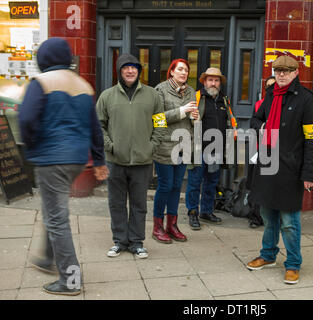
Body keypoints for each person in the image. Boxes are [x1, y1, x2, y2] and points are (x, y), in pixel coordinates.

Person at [19, 37, 108, 296]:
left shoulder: (42, 83)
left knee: (57, 218)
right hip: (76, 159)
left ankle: (70, 280)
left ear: (43, 58)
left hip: (51, 158)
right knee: (53, 208)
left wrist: (33, 144)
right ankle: (47, 258)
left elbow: (26, 119)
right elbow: (95, 128)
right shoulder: (84, 85)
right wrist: (99, 159)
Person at [246, 55, 313, 285]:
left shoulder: (307, 100)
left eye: (286, 71)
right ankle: (268, 255)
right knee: (268, 215)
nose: (281, 74)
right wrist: (263, 126)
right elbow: (255, 120)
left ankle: (293, 264)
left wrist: (309, 173)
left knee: (289, 220)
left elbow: (312, 139)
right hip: (268, 161)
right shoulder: (270, 94)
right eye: (278, 71)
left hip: (291, 167)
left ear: (296, 73)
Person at [96, 53, 166, 259]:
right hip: (115, 161)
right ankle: (119, 241)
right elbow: (97, 125)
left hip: (142, 161)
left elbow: (160, 124)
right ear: (119, 71)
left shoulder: (153, 95)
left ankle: (136, 242)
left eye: (134, 67)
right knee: (116, 203)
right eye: (126, 67)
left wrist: (151, 146)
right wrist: (110, 146)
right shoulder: (107, 96)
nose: (130, 71)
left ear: (139, 71)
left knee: (139, 204)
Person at [152, 59, 199, 243]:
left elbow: (191, 120)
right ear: (171, 71)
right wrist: (181, 111)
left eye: (186, 70)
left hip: (184, 145)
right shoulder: (160, 90)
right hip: (165, 146)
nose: (183, 73)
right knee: (165, 185)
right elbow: (156, 120)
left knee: (177, 186)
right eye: (180, 69)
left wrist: (195, 117)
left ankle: (172, 225)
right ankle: (157, 227)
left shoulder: (190, 92)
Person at [185, 67, 237, 230]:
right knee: (194, 182)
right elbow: (187, 120)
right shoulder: (197, 98)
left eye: (216, 80)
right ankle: (192, 212)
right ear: (204, 82)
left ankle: (206, 212)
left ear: (219, 83)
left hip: (216, 149)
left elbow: (230, 122)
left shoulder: (224, 100)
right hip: (198, 149)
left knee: (211, 182)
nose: (213, 83)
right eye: (210, 80)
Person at [246, 76, 276, 228]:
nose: (271, 89)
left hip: (275, 150)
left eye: (274, 86)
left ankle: (270, 216)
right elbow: (254, 123)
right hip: (258, 148)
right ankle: (255, 216)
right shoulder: (259, 104)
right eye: (268, 87)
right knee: (255, 184)